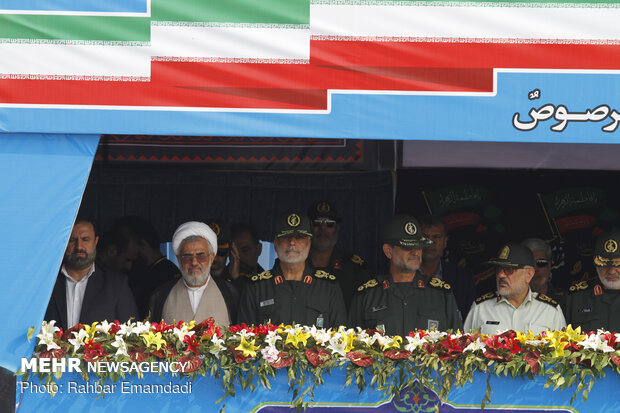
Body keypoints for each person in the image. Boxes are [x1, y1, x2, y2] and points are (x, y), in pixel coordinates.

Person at [349, 215, 462, 336]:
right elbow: (352, 347)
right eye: (407, 247)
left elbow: (456, 347)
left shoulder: (441, 294)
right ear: (388, 251)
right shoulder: (367, 295)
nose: (415, 252)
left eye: (419, 246)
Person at [237, 211, 347, 328]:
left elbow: (341, 338)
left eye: (300, 237)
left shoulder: (328, 287)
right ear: (275, 244)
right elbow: (244, 337)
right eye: (286, 237)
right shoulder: (257, 287)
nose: (292, 243)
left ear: (309, 243)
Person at [44, 216, 139, 330]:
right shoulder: (46, 283)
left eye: (85, 239)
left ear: (96, 241)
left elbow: (132, 336)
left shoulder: (116, 285)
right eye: (72, 240)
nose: (79, 247)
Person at [464, 243, 566, 335]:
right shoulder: (480, 308)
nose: (500, 275)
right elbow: (464, 350)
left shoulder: (550, 310)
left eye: (508, 269)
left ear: (529, 274)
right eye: (498, 269)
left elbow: (562, 352)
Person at [148, 221, 238, 325]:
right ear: (178, 258)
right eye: (187, 256)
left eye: (201, 256)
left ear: (212, 257)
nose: (194, 262)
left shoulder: (230, 293)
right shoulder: (161, 295)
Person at [307, 201, 371, 309]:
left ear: (337, 227)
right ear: (308, 227)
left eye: (330, 223)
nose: (323, 228)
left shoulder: (355, 268)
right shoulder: (296, 264)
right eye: (317, 223)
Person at [116, 216, 181, 320]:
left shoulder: (167, 274)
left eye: (126, 242)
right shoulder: (144, 273)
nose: (121, 248)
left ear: (142, 243)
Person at [419, 215, 476, 320]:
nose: (430, 242)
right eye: (425, 237)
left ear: (445, 242)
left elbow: (469, 321)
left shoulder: (462, 278)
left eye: (436, 237)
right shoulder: (404, 275)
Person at [563, 232, 620, 332]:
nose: (611, 271)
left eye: (618, 264)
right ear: (596, 264)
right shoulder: (576, 298)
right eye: (604, 264)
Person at [229, 223, 265, 291]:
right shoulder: (217, 280)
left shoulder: (268, 282)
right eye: (233, 251)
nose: (238, 257)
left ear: (259, 249)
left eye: (245, 250)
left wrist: (237, 280)